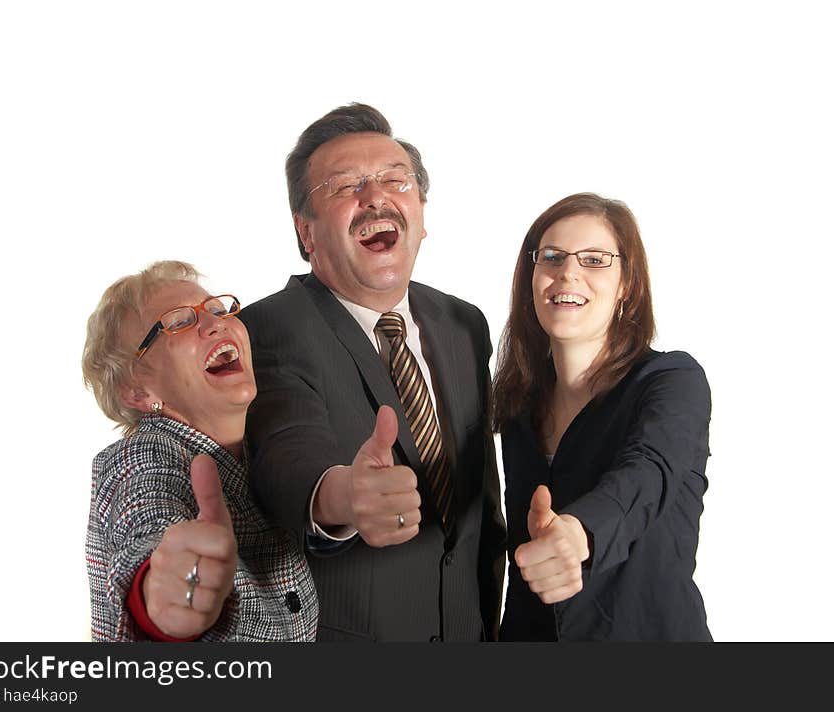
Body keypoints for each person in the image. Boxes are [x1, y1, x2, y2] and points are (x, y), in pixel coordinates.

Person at [241, 103, 506, 642]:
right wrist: (338, 497)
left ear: (422, 213)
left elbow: (482, 500)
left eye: (394, 179)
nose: (374, 196)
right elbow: (286, 447)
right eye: (344, 187)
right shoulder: (268, 327)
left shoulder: (464, 323)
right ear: (306, 232)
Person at [492, 193, 712, 641]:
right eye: (551, 256)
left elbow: (650, 472)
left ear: (627, 285)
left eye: (594, 260)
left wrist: (580, 533)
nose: (568, 272)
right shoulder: (518, 408)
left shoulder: (670, 381)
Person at [83, 260, 318, 641]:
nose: (215, 324)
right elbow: (146, 516)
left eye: (218, 310)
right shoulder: (141, 457)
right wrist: (163, 593)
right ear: (138, 390)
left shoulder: (270, 448)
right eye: (177, 322)